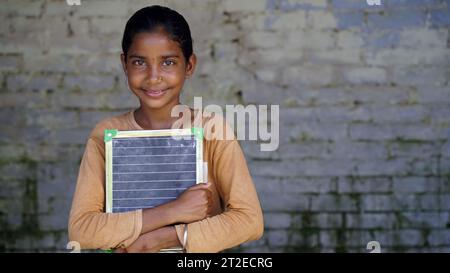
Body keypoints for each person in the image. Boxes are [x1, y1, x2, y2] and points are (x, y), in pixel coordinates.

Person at [68, 5, 263, 253]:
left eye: (168, 62)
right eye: (139, 62)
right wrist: (173, 211)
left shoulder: (211, 130)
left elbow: (250, 221)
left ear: (189, 66)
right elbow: (81, 230)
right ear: (124, 64)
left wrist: (164, 238)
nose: (153, 76)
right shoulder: (107, 134)